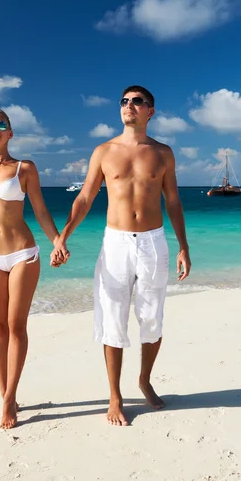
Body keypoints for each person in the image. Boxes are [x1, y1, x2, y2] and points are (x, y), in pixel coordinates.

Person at [50, 85, 191, 426]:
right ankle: (115, 395)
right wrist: (62, 237)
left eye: (137, 101)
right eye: (125, 101)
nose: (129, 106)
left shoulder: (163, 153)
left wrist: (184, 245)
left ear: (150, 112)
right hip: (115, 243)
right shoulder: (104, 151)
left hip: (153, 242)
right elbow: (84, 198)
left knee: (152, 318)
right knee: (112, 318)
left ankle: (143, 380)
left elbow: (172, 200)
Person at [0, 108, 68, 429]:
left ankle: (10, 399)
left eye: (1, 124)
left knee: (15, 324)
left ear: (10, 133)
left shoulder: (25, 168)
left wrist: (57, 241)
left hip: (23, 253)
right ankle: (4, 392)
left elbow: (40, 209)